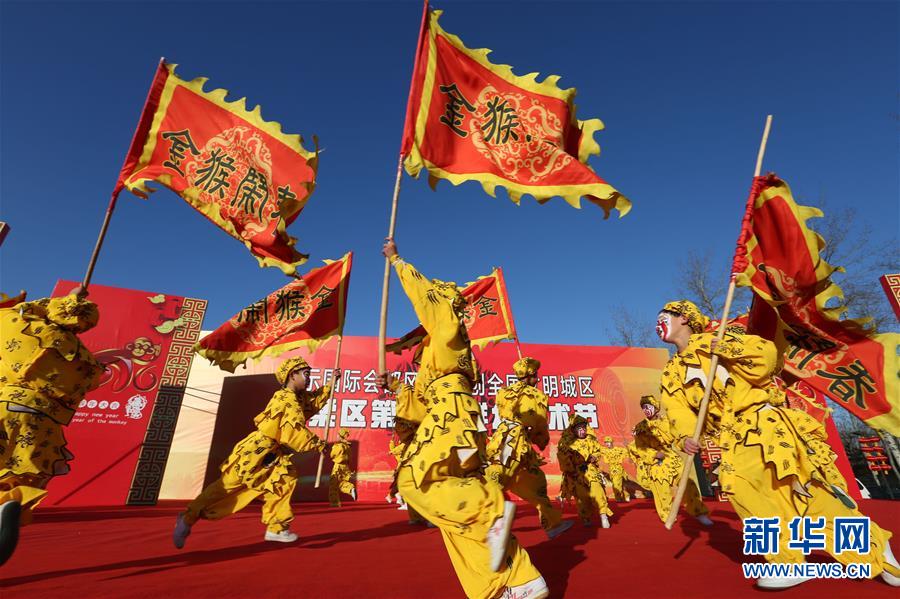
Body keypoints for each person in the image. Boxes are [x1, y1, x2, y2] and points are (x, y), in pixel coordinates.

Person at [657, 299, 900, 589]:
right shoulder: (671, 372)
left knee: (806, 496)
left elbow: (767, 358)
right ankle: (787, 560)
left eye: (664, 315)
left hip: (764, 426)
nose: (658, 322)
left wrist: (726, 349)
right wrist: (686, 436)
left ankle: (875, 547)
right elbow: (677, 410)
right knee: (745, 495)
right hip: (731, 440)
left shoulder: (720, 338)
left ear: (684, 318)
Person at [382, 238, 546, 599]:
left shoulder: (446, 323)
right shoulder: (440, 347)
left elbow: (425, 298)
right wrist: (396, 387)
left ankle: (491, 510)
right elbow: (423, 407)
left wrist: (397, 262)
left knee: (415, 482)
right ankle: (516, 581)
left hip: (452, 421)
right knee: (454, 517)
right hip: (455, 424)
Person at [172, 357, 336, 547]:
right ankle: (188, 517)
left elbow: (312, 403)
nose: (309, 379)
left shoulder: (297, 399)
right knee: (225, 487)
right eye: (306, 374)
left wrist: (332, 383)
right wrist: (318, 444)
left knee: (284, 480)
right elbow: (293, 429)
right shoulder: (285, 399)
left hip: (273, 454)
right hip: (255, 452)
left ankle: (276, 528)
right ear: (292, 375)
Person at [0, 287, 103, 566]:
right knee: (23, 472)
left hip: (6, 406)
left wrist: (62, 300)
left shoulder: (16, 324)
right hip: (45, 421)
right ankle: (9, 502)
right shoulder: (86, 360)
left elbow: (18, 309)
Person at [486, 356, 572, 539]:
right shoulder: (536, 396)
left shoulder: (503, 392)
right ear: (530, 375)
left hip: (507, 439)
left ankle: (553, 523)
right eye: (536, 376)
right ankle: (487, 525)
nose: (538, 379)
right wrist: (541, 440)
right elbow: (539, 423)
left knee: (535, 482)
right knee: (495, 479)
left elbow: (504, 415)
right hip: (513, 444)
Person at [630, 395, 712, 526]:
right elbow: (640, 448)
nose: (645, 410)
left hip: (672, 458)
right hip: (656, 463)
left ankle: (699, 512)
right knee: (661, 492)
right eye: (643, 408)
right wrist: (655, 454)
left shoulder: (667, 421)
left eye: (648, 407)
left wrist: (685, 443)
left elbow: (677, 438)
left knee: (688, 483)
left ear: (655, 407)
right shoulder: (641, 427)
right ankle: (668, 517)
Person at [557, 415, 612, 528]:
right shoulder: (568, 443)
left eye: (584, 428)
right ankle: (586, 517)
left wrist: (594, 457)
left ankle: (603, 515)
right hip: (577, 474)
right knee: (582, 497)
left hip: (591, 471)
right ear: (574, 430)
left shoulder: (591, 440)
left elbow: (598, 451)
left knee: (598, 492)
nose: (582, 431)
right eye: (579, 429)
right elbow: (563, 458)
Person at [598, 435, 632, 502]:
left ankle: (618, 498)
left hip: (618, 469)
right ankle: (626, 495)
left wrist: (627, 445)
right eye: (606, 442)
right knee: (617, 484)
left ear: (612, 442)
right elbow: (597, 448)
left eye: (609, 442)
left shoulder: (618, 449)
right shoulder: (605, 450)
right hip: (611, 470)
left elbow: (627, 452)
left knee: (616, 484)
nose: (607, 444)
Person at [328, 428, 356, 507]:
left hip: (338, 466)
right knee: (341, 483)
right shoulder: (348, 446)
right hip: (346, 466)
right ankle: (350, 488)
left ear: (340, 435)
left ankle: (335, 503)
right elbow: (350, 457)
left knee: (333, 485)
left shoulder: (338, 446)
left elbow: (332, 455)